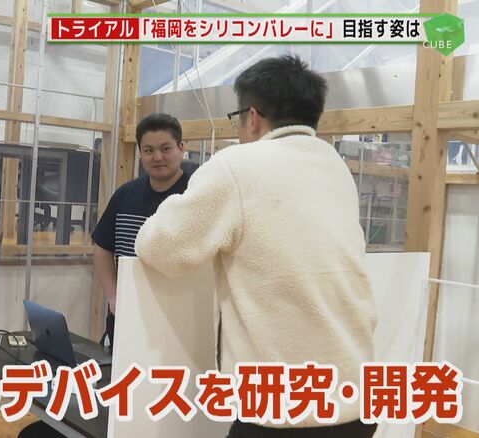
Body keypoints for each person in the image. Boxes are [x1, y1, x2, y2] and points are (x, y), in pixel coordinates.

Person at [134, 55, 378, 437]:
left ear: (252, 117)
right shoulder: (335, 166)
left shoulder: (236, 165)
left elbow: (161, 247)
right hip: (356, 400)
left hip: (282, 411)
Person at [92, 113, 191, 347]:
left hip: (178, 323)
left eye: (165, 149)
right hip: (126, 317)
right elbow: (102, 246)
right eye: (148, 150)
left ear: (181, 149)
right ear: (140, 153)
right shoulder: (125, 194)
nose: (157, 157)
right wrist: (113, 295)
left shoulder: (196, 196)